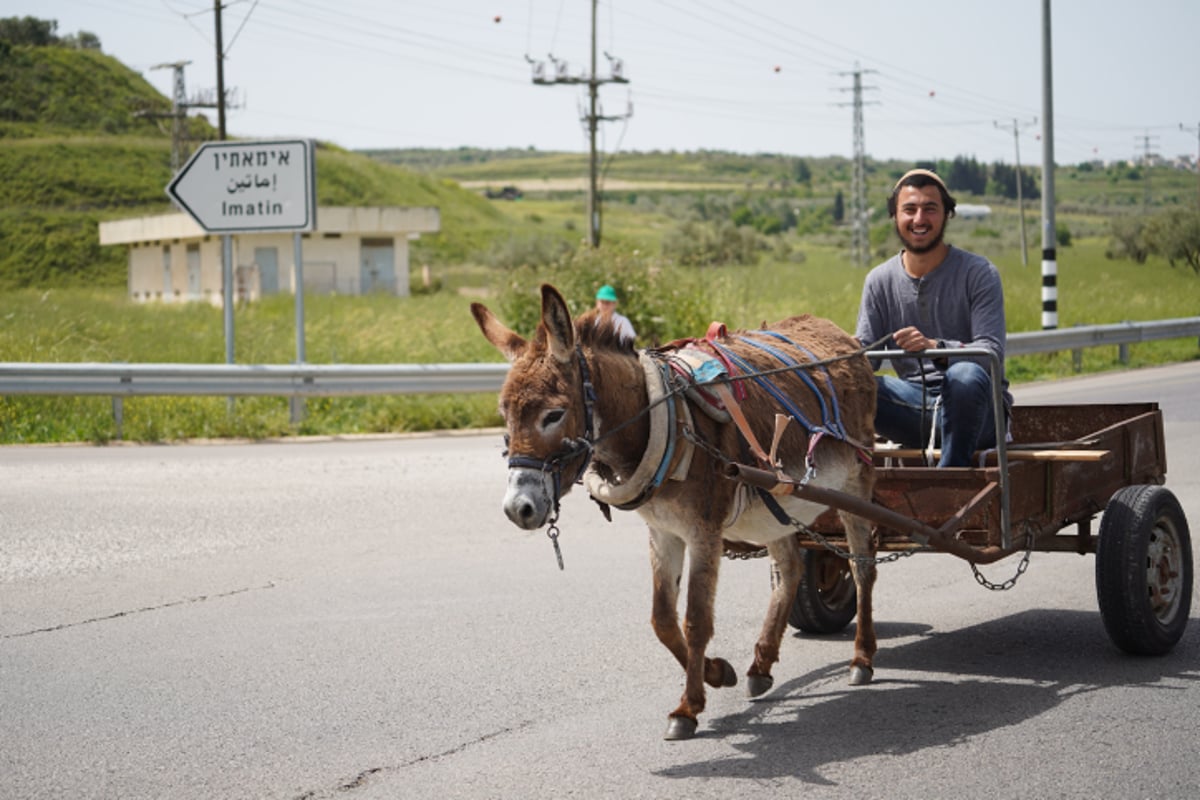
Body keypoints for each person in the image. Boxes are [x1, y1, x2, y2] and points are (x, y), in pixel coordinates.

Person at [854, 168, 1012, 467]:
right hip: (913, 408)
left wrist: (935, 347)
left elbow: (991, 353)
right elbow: (866, 360)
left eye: (930, 209)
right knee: (850, 386)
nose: (919, 219)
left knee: (964, 376)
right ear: (894, 216)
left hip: (978, 413)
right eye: (909, 210)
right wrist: (840, 352)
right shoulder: (879, 280)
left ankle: (948, 480)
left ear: (947, 214)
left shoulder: (979, 273)